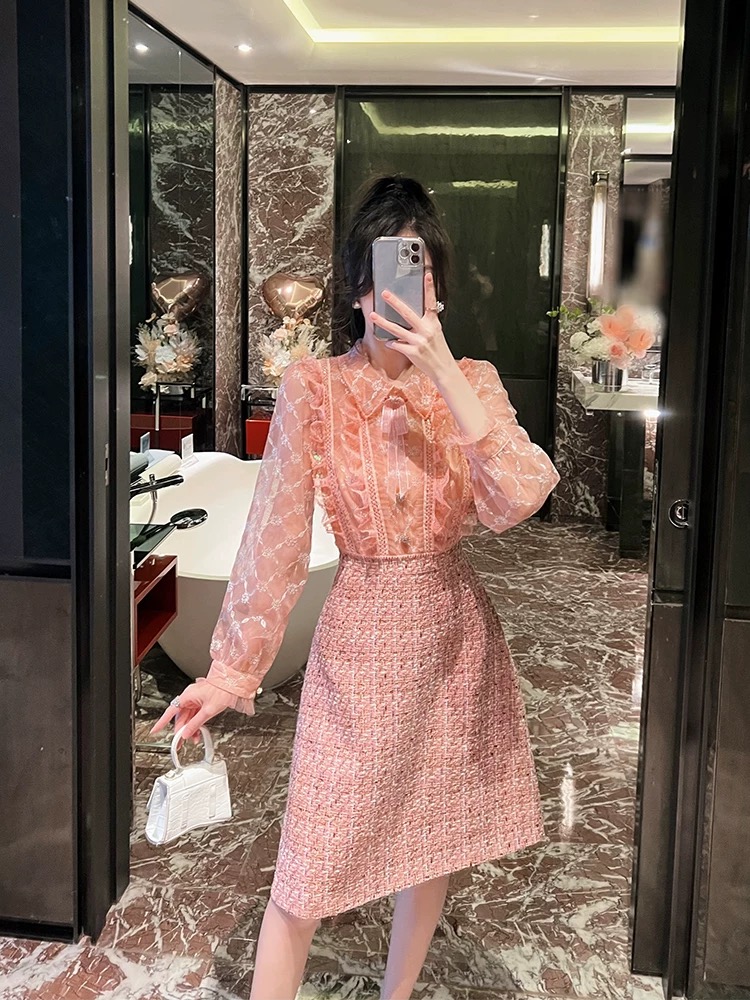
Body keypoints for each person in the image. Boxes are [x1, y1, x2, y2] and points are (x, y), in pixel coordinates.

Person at [152, 175, 561, 1000]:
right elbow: (273, 533)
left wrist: (443, 371)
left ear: (439, 289)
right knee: (307, 866)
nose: (403, 296)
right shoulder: (316, 388)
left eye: (421, 276)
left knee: (432, 842)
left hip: (453, 641)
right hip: (360, 645)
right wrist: (231, 670)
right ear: (357, 289)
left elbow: (519, 500)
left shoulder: (472, 382)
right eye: (386, 276)